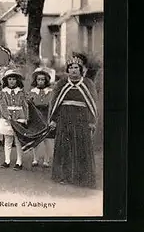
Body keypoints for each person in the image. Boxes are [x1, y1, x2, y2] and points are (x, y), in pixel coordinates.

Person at [48, 56, 98, 188]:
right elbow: (55, 102)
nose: (73, 70)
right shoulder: (62, 84)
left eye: (76, 68)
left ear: (81, 70)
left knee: (81, 147)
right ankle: (63, 176)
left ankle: (81, 177)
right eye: (71, 68)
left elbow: (92, 104)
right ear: (67, 70)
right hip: (64, 119)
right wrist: (53, 119)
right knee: (64, 147)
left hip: (82, 120)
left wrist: (92, 121)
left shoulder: (87, 84)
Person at [0, 69, 29, 171]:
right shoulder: (3, 92)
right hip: (8, 118)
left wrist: (26, 117)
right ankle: (7, 160)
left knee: (18, 141)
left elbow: (25, 105)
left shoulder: (21, 92)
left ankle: (19, 161)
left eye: (14, 79)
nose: (12, 81)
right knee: (7, 139)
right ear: (6, 80)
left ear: (17, 80)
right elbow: (2, 105)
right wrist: (7, 115)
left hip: (19, 117)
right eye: (10, 79)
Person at [29, 67, 54, 168]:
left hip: (46, 116)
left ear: (46, 80)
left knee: (47, 139)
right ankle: (35, 158)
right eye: (38, 79)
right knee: (36, 139)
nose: (40, 81)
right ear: (36, 80)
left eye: (42, 79)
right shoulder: (33, 91)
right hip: (36, 117)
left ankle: (46, 159)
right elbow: (31, 104)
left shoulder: (50, 91)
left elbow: (51, 103)